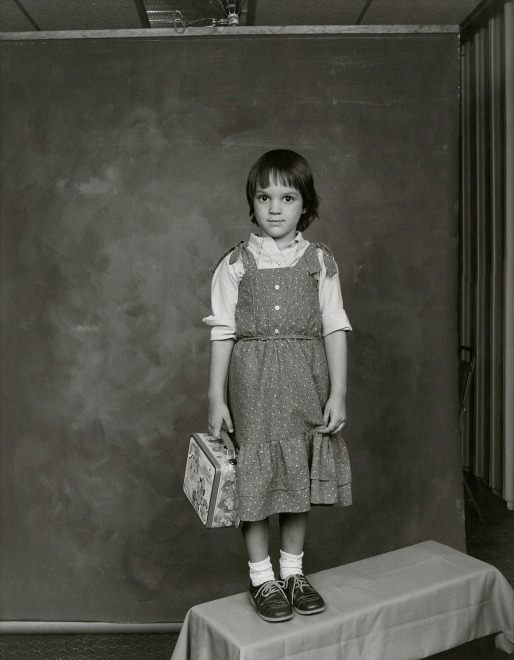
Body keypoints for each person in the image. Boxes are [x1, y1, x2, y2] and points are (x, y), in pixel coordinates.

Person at [203, 149, 352, 623]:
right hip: (252, 385)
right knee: (256, 479)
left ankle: (293, 572)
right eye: (264, 196)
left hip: (306, 382)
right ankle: (261, 578)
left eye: (287, 198)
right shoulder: (235, 264)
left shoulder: (320, 262)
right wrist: (215, 396)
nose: (274, 208)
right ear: (252, 202)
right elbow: (223, 331)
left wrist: (339, 393)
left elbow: (334, 326)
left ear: (304, 204)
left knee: (294, 478)